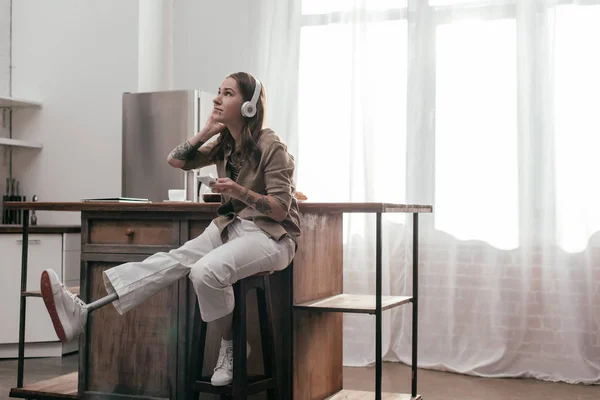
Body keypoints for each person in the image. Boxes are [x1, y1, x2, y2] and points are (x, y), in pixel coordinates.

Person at [39, 72, 301, 387]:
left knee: (204, 272)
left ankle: (231, 347)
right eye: (219, 92)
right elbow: (175, 160)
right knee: (172, 260)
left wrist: (238, 191)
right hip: (232, 227)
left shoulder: (271, 144)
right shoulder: (226, 144)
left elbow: (280, 208)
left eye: (227, 93)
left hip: (273, 238)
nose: (217, 98)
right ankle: (83, 311)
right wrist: (206, 131)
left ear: (248, 107)